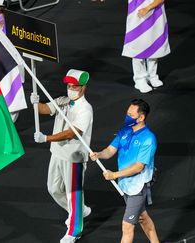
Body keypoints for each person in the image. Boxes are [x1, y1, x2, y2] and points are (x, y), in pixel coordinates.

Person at [31, 69, 93, 243]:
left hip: (74, 157)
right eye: (69, 85)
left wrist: (46, 138)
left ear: (83, 88)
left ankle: (74, 231)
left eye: (74, 86)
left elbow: (71, 133)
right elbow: (45, 109)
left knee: (73, 194)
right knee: (54, 189)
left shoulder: (85, 110)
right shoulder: (63, 101)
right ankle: (79, 211)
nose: (71, 89)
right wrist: (35, 103)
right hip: (57, 153)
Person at [90, 99, 159, 243]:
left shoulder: (148, 138)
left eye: (131, 114)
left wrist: (114, 175)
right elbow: (109, 151)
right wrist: (98, 154)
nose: (127, 117)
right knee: (143, 218)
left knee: (127, 227)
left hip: (137, 186)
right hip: (125, 183)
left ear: (141, 117)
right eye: (127, 113)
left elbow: (139, 167)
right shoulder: (124, 132)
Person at [122, 0, 170, 93]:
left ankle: (152, 75)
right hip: (138, 13)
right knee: (138, 45)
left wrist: (148, 7)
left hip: (156, 12)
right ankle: (139, 79)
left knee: (155, 45)